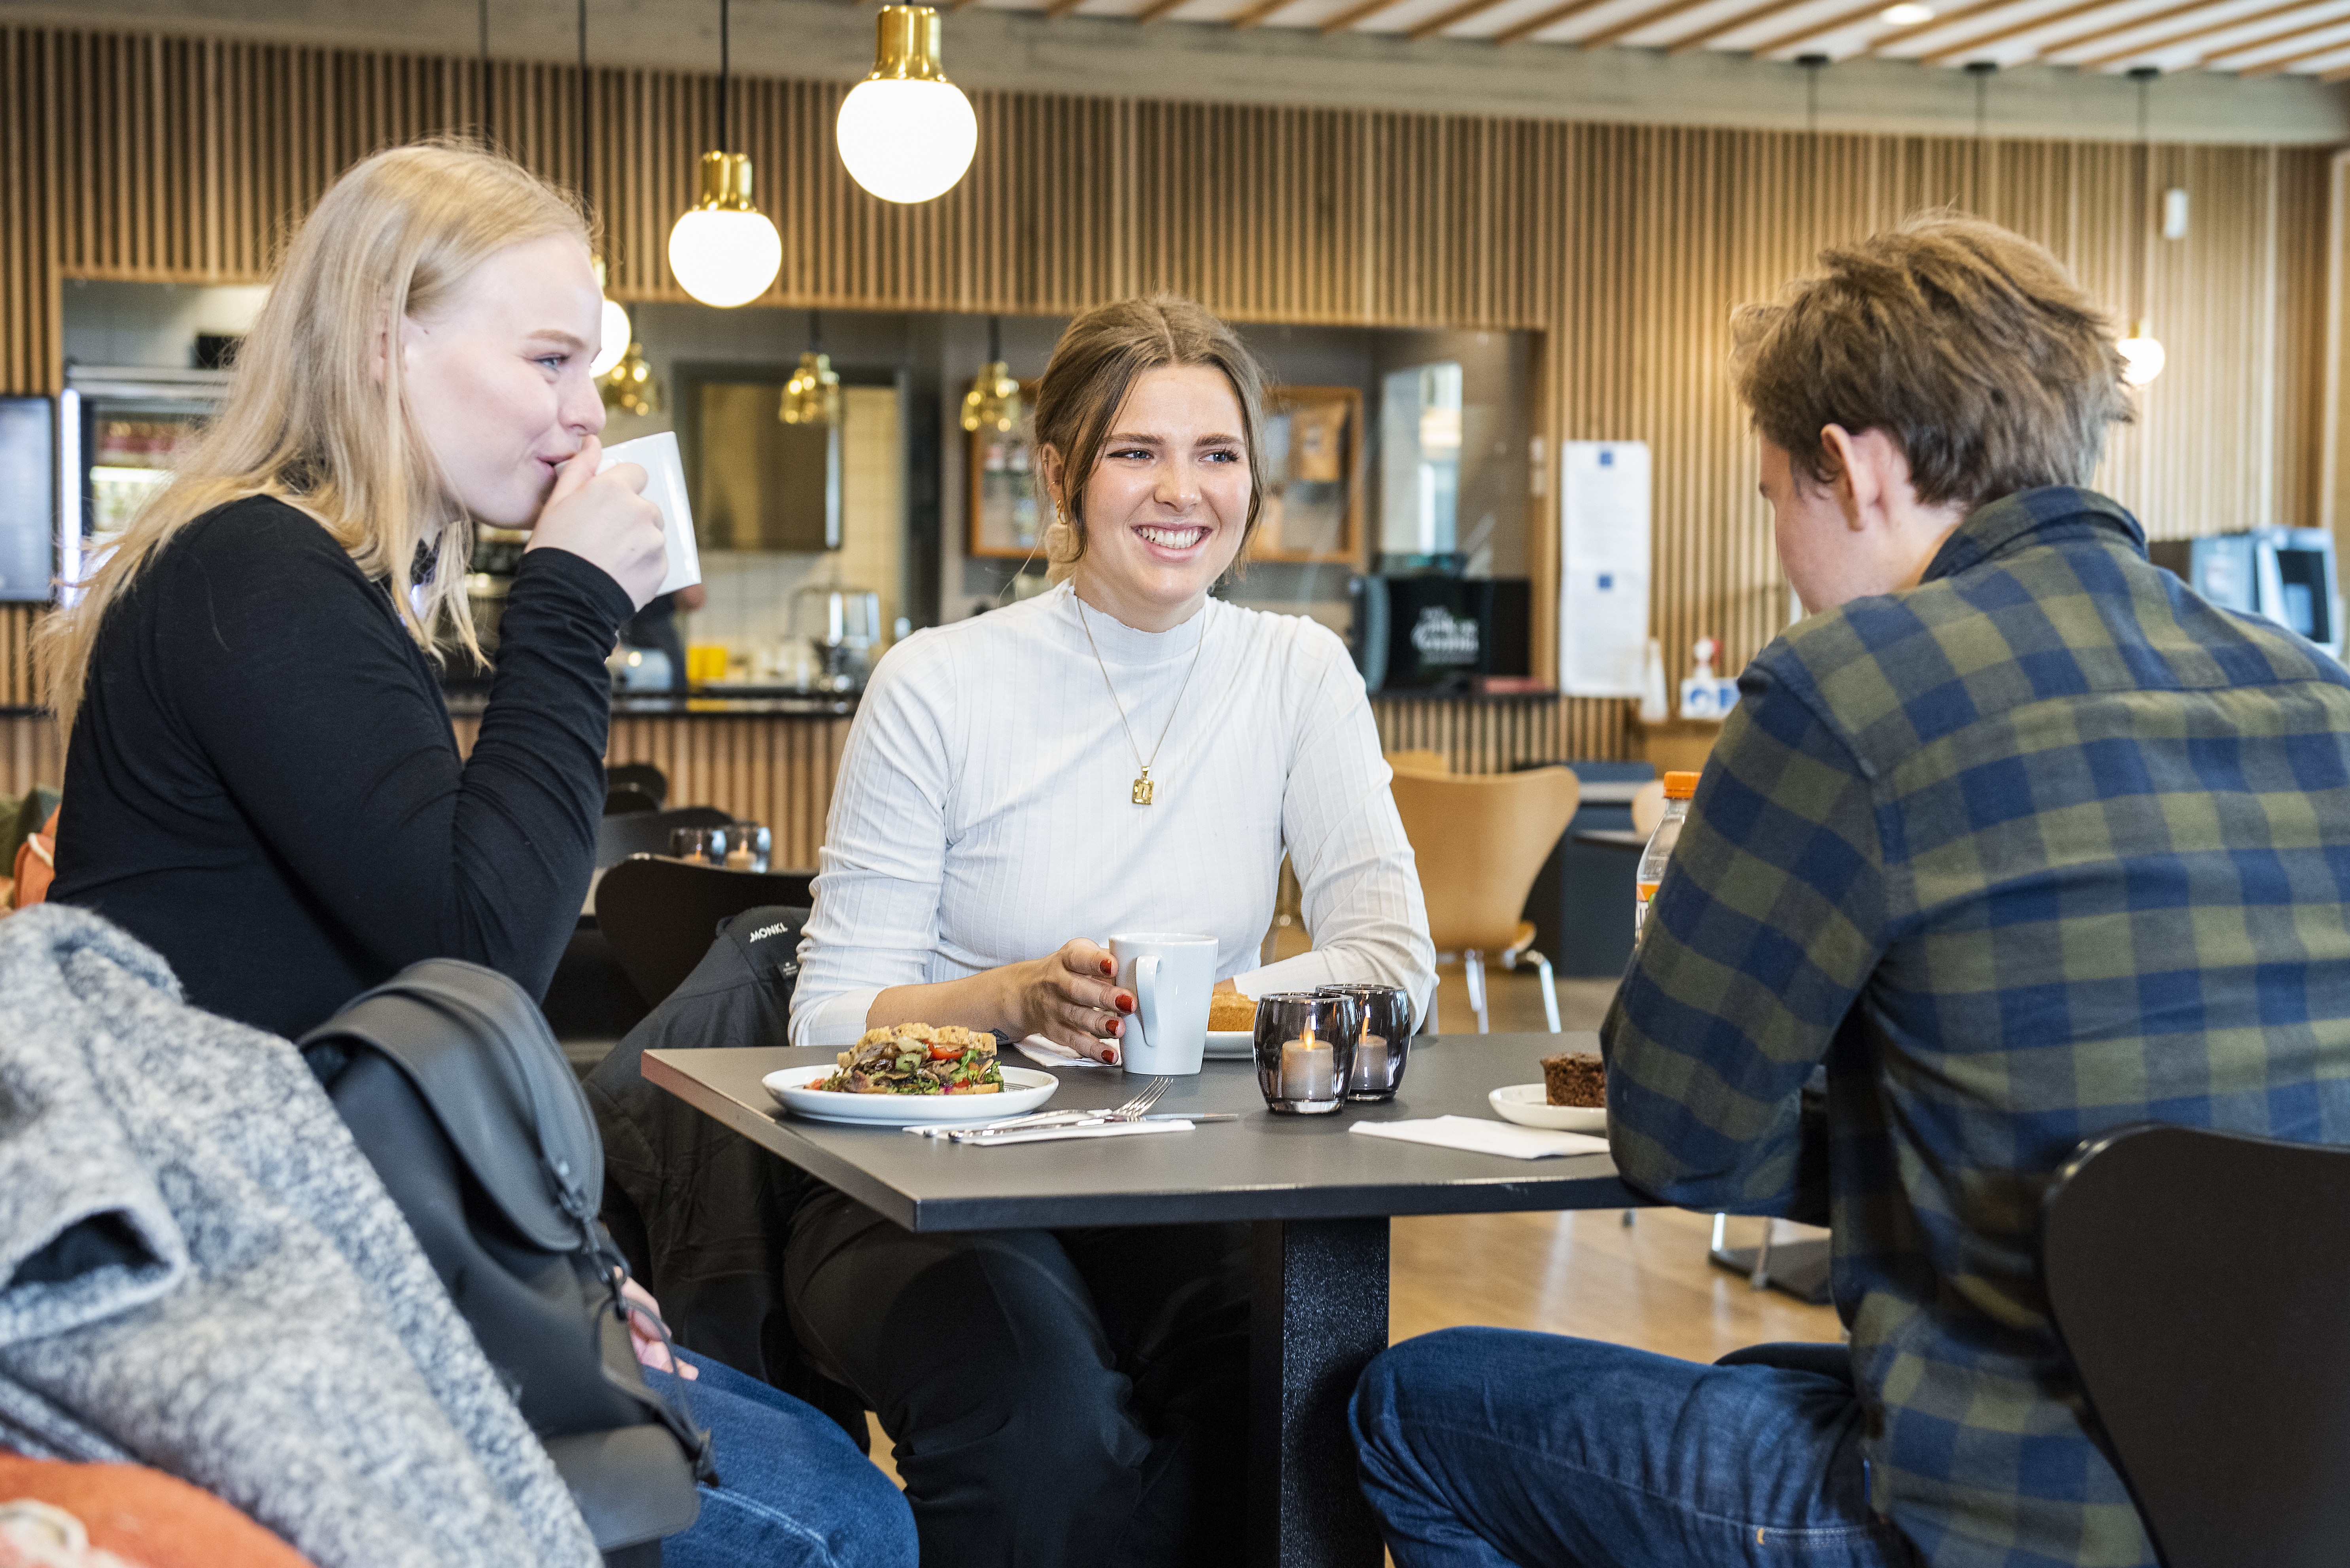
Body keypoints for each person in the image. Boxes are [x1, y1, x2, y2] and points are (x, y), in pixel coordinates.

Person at [1350, 214, 2350, 1567]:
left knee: (1416, 1406)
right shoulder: (2321, 692)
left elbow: (1676, 1136)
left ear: (1852, 465)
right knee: (1769, 1383)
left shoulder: (1846, 690)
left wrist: (1924, 1147)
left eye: (1772, 501)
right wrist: (1967, 1138)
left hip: (1989, 1519)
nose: (1781, 555)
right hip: (2292, 1508)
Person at [40, 139, 914, 1568]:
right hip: (252, 1298)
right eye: (554, 362)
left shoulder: (299, 574)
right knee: (834, 1524)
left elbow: (403, 992)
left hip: (313, 1243)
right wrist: (568, 603)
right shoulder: (254, 570)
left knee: (820, 1473)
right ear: (393, 339)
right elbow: (479, 947)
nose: (589, 416)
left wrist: (545, 1257)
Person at [787, 294, 1436, 1564]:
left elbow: (1392, 964)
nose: (1179, 491)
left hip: (1187, 1168)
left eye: (1218, 454)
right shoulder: (939, 681)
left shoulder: (1296, 673)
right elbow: (824, 1015)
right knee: (1042, 1426)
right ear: (1061, 476)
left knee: (1286, 1405)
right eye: (1137, 452)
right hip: (930, 1181)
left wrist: (1206, 1002)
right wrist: (1018, 996)